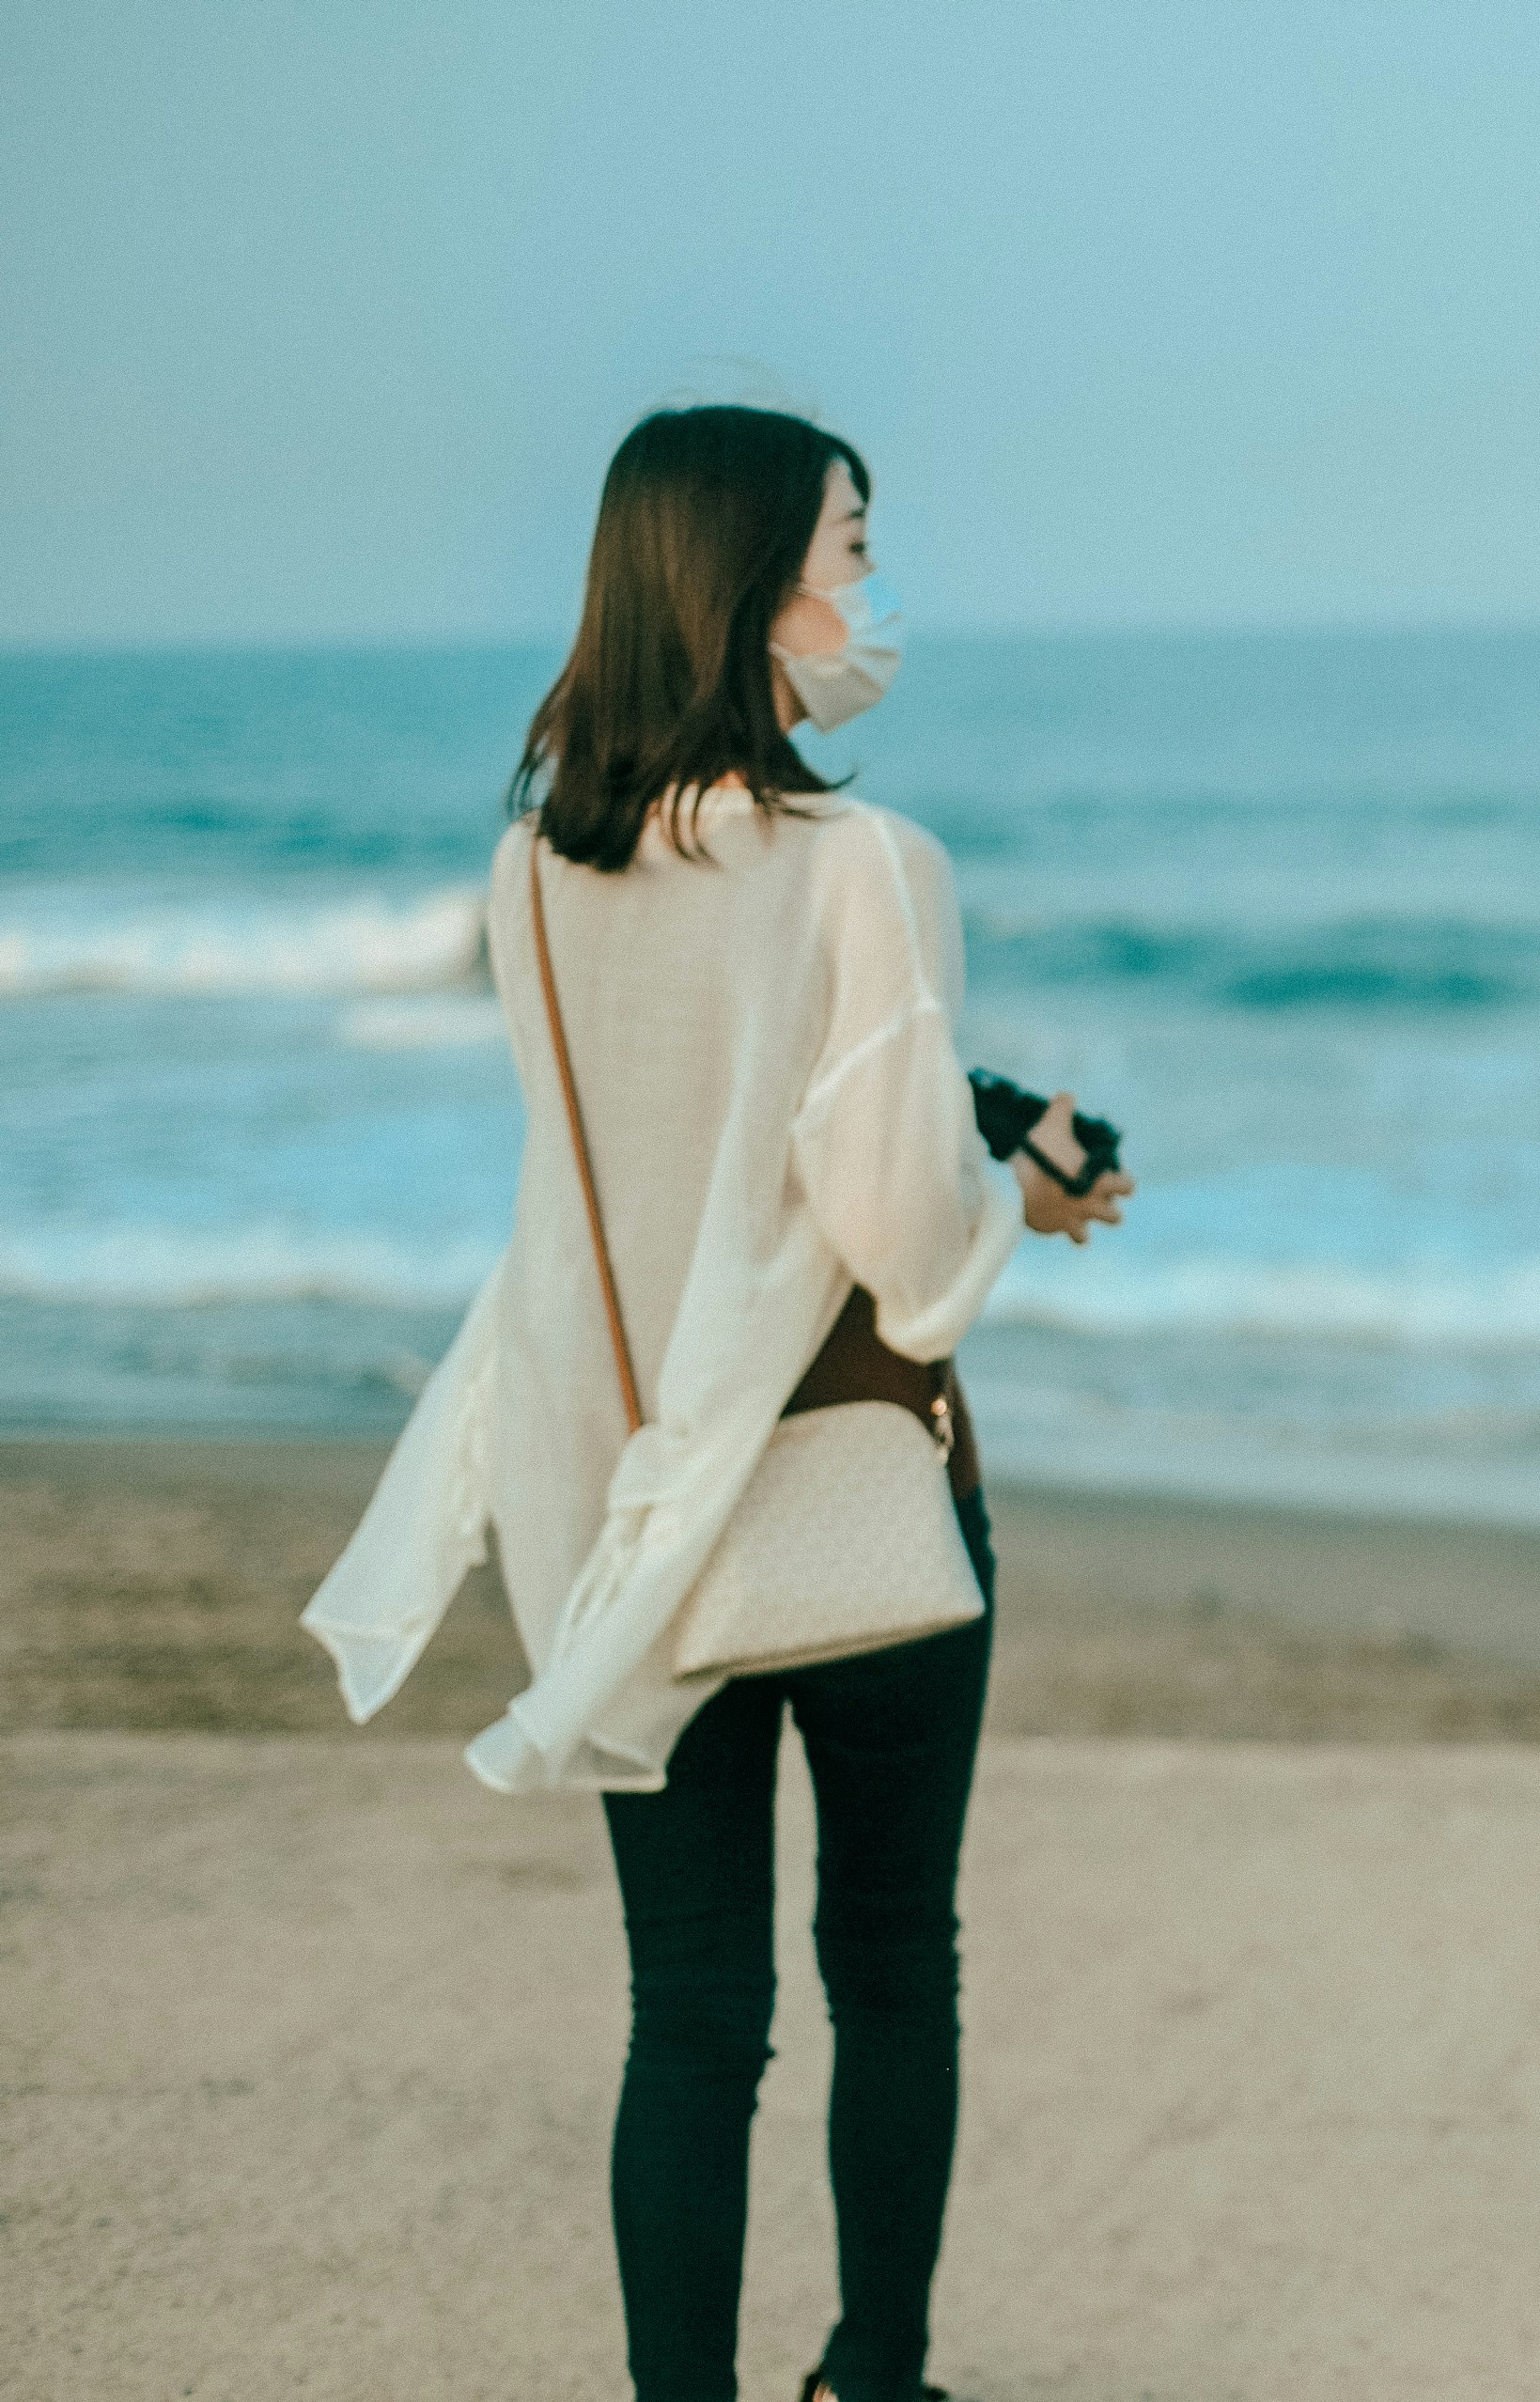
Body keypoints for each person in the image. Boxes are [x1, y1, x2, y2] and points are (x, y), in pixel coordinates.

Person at [302, 404, 1129, 2402]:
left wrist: (957, 1105)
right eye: (852, 545)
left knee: (688, 2014)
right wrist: (1020, 1185)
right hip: (852, 1485)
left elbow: (678, 1140)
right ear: (758, 585)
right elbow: (886, 1224)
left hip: (620, 1491)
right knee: (888, 1969)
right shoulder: (871, 862)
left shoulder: (535, 873)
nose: (870, 588)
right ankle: (876, 2377)